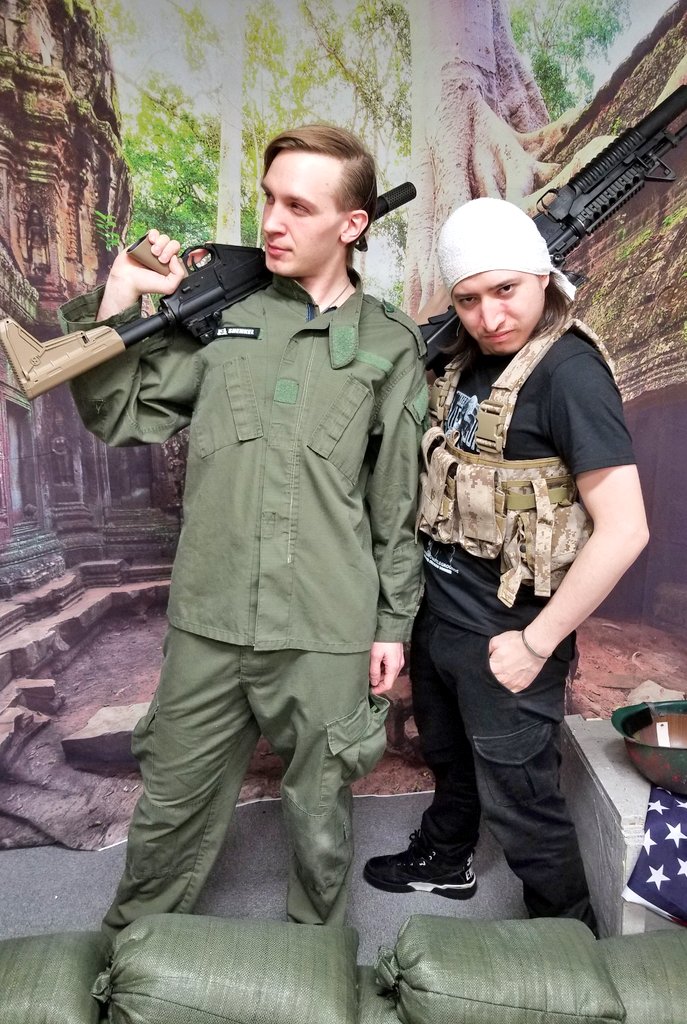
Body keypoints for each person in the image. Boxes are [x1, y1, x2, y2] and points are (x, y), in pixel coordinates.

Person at [59, 124, 428, 935]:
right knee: (170, 803)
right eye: (268, 198)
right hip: (211, 615)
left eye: (298, 206)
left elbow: (394, 500)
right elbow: (120, 413)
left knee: (320, 813)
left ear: (352, 224)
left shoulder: (388, 344)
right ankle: (129, 955)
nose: (271, 221)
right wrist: (120, 294)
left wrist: (391, 624)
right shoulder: (220, 321)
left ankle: (315, 960)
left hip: (326, 623)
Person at [363, 196, 649, 930]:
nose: (489, 317)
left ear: (542, 277)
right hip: (441, 614)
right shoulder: (460, 357)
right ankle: (447, 857)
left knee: (523, 804)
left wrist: (536, 643)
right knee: (450, 757)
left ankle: (567, 939)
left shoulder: (568, 373)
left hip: (509, 635)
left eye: (506, 290)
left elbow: (624, 529)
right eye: (468, 299)